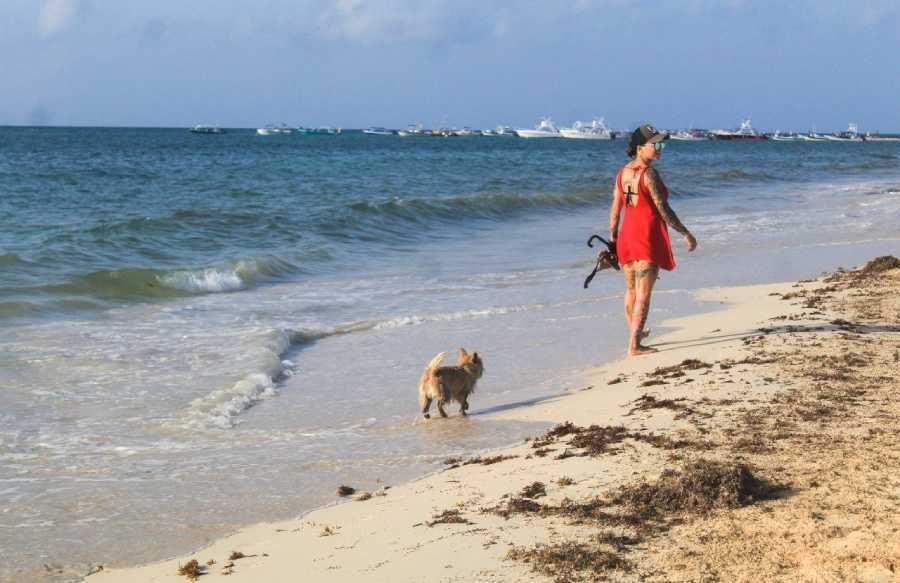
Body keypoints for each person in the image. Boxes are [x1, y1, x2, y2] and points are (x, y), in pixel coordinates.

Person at [609, 124, 697, 356]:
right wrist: (685, 233)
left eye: (661, 144)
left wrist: (614, 236)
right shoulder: (649, 174)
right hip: (646, 236)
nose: (659, 148)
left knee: (631, 290)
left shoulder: (622, 173)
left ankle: (634, 334)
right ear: (640, 148)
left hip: (627, 236)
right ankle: (634, 346)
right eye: (655, 144)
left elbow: (615, 209)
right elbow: (662, 209)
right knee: (643, 293)